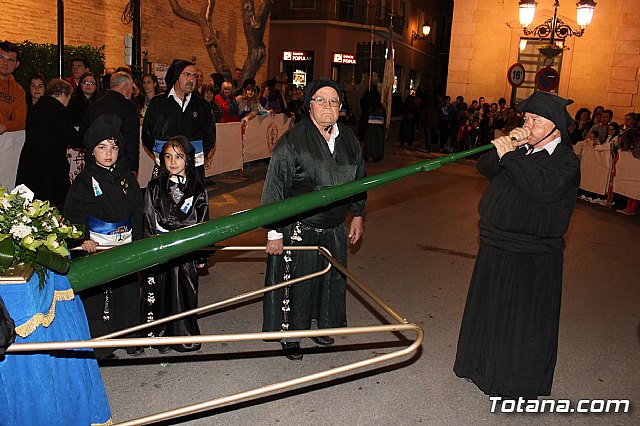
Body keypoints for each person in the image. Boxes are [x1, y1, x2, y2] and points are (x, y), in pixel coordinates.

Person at [454, 91, 580, 400]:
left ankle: (514, 385)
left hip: (530, 257)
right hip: (496, 247)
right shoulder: (524, 150)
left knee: (520, 323)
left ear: (556, 129)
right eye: (526, 119)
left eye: (536, 121)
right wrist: (509, 144)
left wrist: (510, 155)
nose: (528, 125)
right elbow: (485, 166)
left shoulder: (565, 161)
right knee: (489, 314)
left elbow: (542, 189)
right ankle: (479, 368)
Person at [261, 77, 366, 360]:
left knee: (328, 281)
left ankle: (322, 326)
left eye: (334, 101)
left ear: (341, 107)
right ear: (309, 105)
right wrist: (274, 231)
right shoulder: (292, 141)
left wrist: (357, 214)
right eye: (321, 99)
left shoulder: (349, 139)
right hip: (300, 228)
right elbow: (274, 185)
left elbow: (359, 179)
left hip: (334, 227)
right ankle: (291, 335)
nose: (328, 106)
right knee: (298, 284)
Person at [64, 114, 144, 359]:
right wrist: (81, 239)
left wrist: (138, 237)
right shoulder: (84, 181)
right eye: (102, 148)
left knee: (127, 293)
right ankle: (102, 345)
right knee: (99, 299)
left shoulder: (126, 177)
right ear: (92, 151)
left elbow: (137, 209)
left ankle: (132, 338)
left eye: (113, 147)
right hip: (97, 246)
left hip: (125, 243)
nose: (108, 153)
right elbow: (73, 213)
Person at [142, 135, 209, 353]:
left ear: (188, 160)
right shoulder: (153, 186)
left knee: (185, 293)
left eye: (178, 157)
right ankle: (160, 336)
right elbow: (148, 218)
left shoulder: (197, 188)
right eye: (168, 156)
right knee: (161, 292)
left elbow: (203, 222)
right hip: (161, 249)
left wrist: (201, 256)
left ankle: (185, 336)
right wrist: (149, 251)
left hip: (187, 251)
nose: (173, 162)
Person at [142, 59, 216, 185]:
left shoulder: (203, 106)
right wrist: (164, 157)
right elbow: (147, 135)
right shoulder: (157, 104)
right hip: (165, 170)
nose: (191, 80)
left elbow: (210, 137)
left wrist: (196, 159)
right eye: (187, 75)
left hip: (194, 171)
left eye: (194, 76)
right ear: (175, 77)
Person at [15, 78, 82, 211]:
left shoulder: (36, 108)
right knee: (61, 204)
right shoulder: (58, 110)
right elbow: (73, 138)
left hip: (30, 163)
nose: (68, 102)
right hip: (50, 165)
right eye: (68, 98)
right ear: (63, 94)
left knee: (32, 205)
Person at [81, 71, 140, 174]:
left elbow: (83, 135)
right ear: (125, 85)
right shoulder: (128, 107)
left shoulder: (95, 105)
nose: (131, 91)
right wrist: (132, 168)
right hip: (120, 165)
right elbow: (131, 140)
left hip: (94, 164)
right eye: (131, 87)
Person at [0, 41, 26, 134]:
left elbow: (21, 122)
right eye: (1, 58)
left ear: (17, 64)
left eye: (10, 60)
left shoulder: (18, 91)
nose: (5, 63)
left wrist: (5, 126)